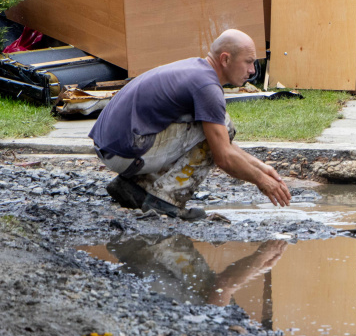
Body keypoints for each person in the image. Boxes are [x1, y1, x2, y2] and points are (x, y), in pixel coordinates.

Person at [90, 29, 291, 220]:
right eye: (248, 62)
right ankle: (166, 201)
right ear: (225, 59)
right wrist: (262, 182)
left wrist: (261, 168)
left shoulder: (196, 69)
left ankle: (135, 188)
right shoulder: (207, 87)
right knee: (223, 128)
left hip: (113, 148)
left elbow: (221, 143)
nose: (252, 70)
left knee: (217, 130)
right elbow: (223, 156)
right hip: (125, 153)